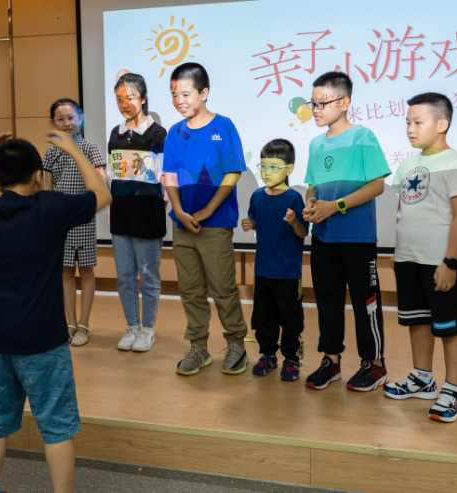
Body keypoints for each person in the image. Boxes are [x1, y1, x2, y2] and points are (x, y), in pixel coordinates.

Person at [0, 131, 112, 493]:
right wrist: (73, 149)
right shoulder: (50, 207)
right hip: (43, 341)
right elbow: (103, 194)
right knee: (56, 426)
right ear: (38, 176)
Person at [383, 93, 457, 423]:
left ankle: (453, 391)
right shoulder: (407, 165)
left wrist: (451, 262)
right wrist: (398, 252)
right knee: (417, 321)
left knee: (450, 327)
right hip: (409, 259)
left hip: (441, 263)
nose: (410, 129)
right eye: (407, 122)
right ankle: (422, 379)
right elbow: (403, 213)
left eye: (418, 122)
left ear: (442, 124)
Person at [302, 71, 391, 392]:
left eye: (321, 103)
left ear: (344, 102)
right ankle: (331, 360)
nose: (315, 109)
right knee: (327, 300)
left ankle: (375, 365)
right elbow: (312, 185)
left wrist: (336, 206)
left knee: (365, 302)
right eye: (312, 103)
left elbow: (377, 185)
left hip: (357, 238)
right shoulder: (315, 144)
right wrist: (311, 203)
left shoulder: (363, 137)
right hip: (323, 236)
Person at [163, 62, 249, 375]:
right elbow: (170, 175)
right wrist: (179, 211)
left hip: (215, 223)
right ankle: (198, 348)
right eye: (175, 95)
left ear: (204, 92)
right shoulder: (175, 132)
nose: (179, 100)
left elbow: (234, 170)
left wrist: (208, 210)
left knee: (223, 287)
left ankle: (236, 344)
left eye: (185, 94)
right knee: (190, 289)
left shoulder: (224, 126)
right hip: (183, 223)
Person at [108, 73, 167, 352]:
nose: (124, 104)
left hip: (148, 213)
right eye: (119, 99)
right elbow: (116, 176)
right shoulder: (115, 133)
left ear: (142, 98)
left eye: (130, 98)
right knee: (125, 276)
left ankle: (147, 329)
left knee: (149, 275)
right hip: (121, 214)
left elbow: (162, 178)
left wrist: (160, 208)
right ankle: (132, 326)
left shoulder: (158, 133)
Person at [241, 139, 309, 381]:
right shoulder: (257, 195)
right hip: (263, 269)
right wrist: (250, 224)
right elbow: (257, 222)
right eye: (263, 166)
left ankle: (292, 359)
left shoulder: (294, 198)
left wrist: (294, 222)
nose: (267, 172)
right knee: (264, 315)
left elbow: (303, 232)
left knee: (290, 318)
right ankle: (268, 354)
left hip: (288, 272)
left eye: (274, 167)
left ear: (289, 169)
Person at [43, 98, 106, 346]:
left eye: (71, 117)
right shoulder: (50, 152)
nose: (67, 123)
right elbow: (47, 190)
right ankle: (69, 323)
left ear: (80, 118)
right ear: (53, 123)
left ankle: (84, 324)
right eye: (60, 119)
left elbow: (101, 183)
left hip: (84, 219)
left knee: (86, 271)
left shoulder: (90, 149)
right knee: (65, 272)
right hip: (59, 222)